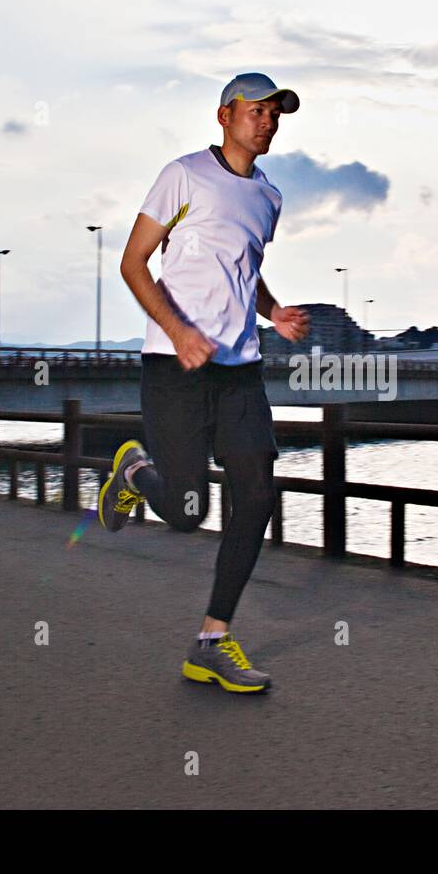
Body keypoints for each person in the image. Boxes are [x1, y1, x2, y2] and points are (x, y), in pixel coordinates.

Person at [100, 73, 311, 694]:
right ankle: (135, 473)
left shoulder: (268, 196)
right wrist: (179, 330)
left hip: (240, 369)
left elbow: (246, 266)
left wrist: (271, 312)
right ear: (225, 115)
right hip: (176, 365)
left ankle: (213, 641)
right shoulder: (184, 175)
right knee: (189, 513)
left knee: (256, 492)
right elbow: (133, 263)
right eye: (257, 111)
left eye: (276, 114)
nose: (267, 122)